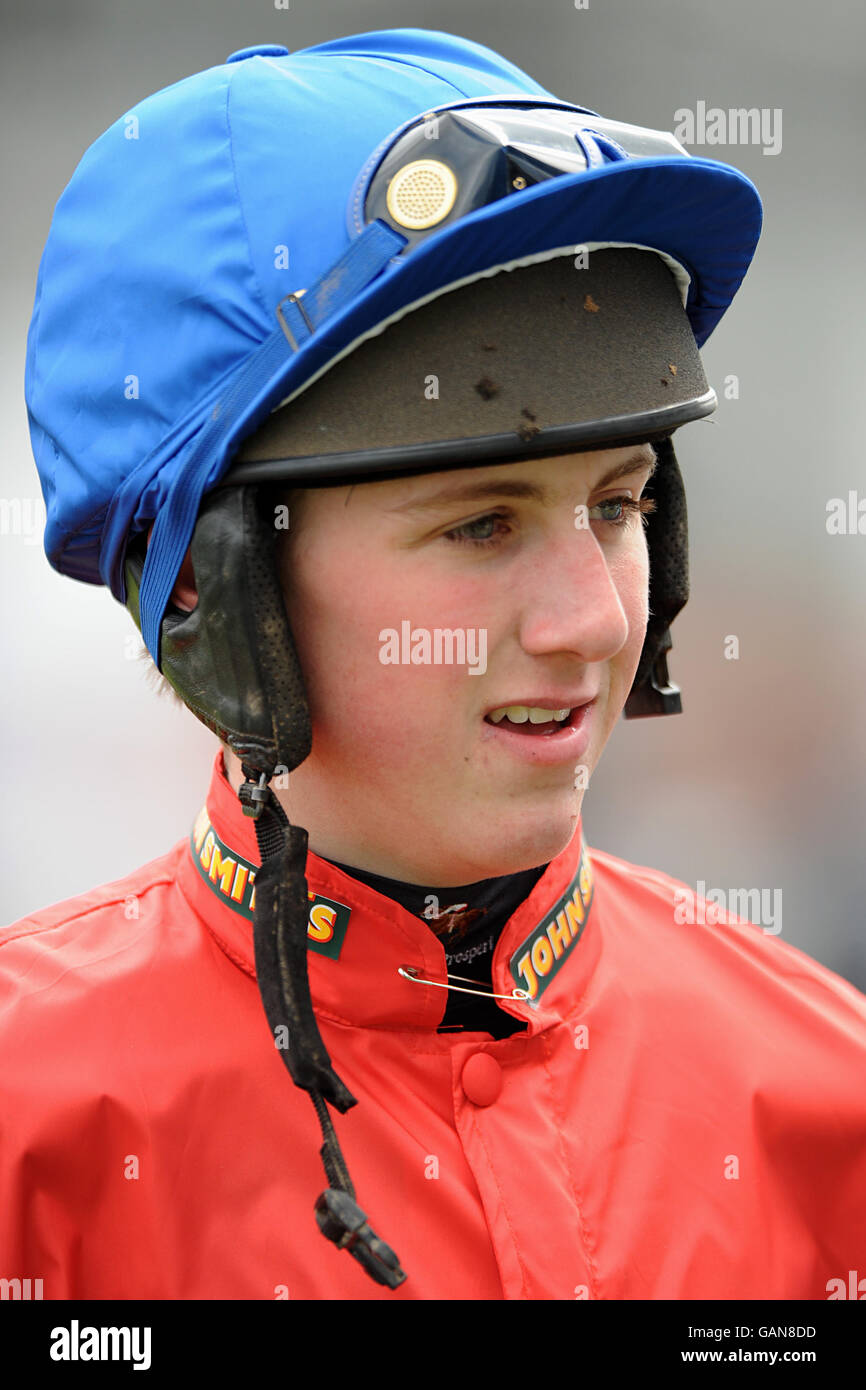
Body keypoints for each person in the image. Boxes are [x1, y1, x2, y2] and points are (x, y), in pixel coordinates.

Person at [3, 28, 864, 1301]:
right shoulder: (31, 1130)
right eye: (479, 525)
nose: (588, 621)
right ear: (205, 584)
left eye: (617, 507)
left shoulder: (828, 1099)